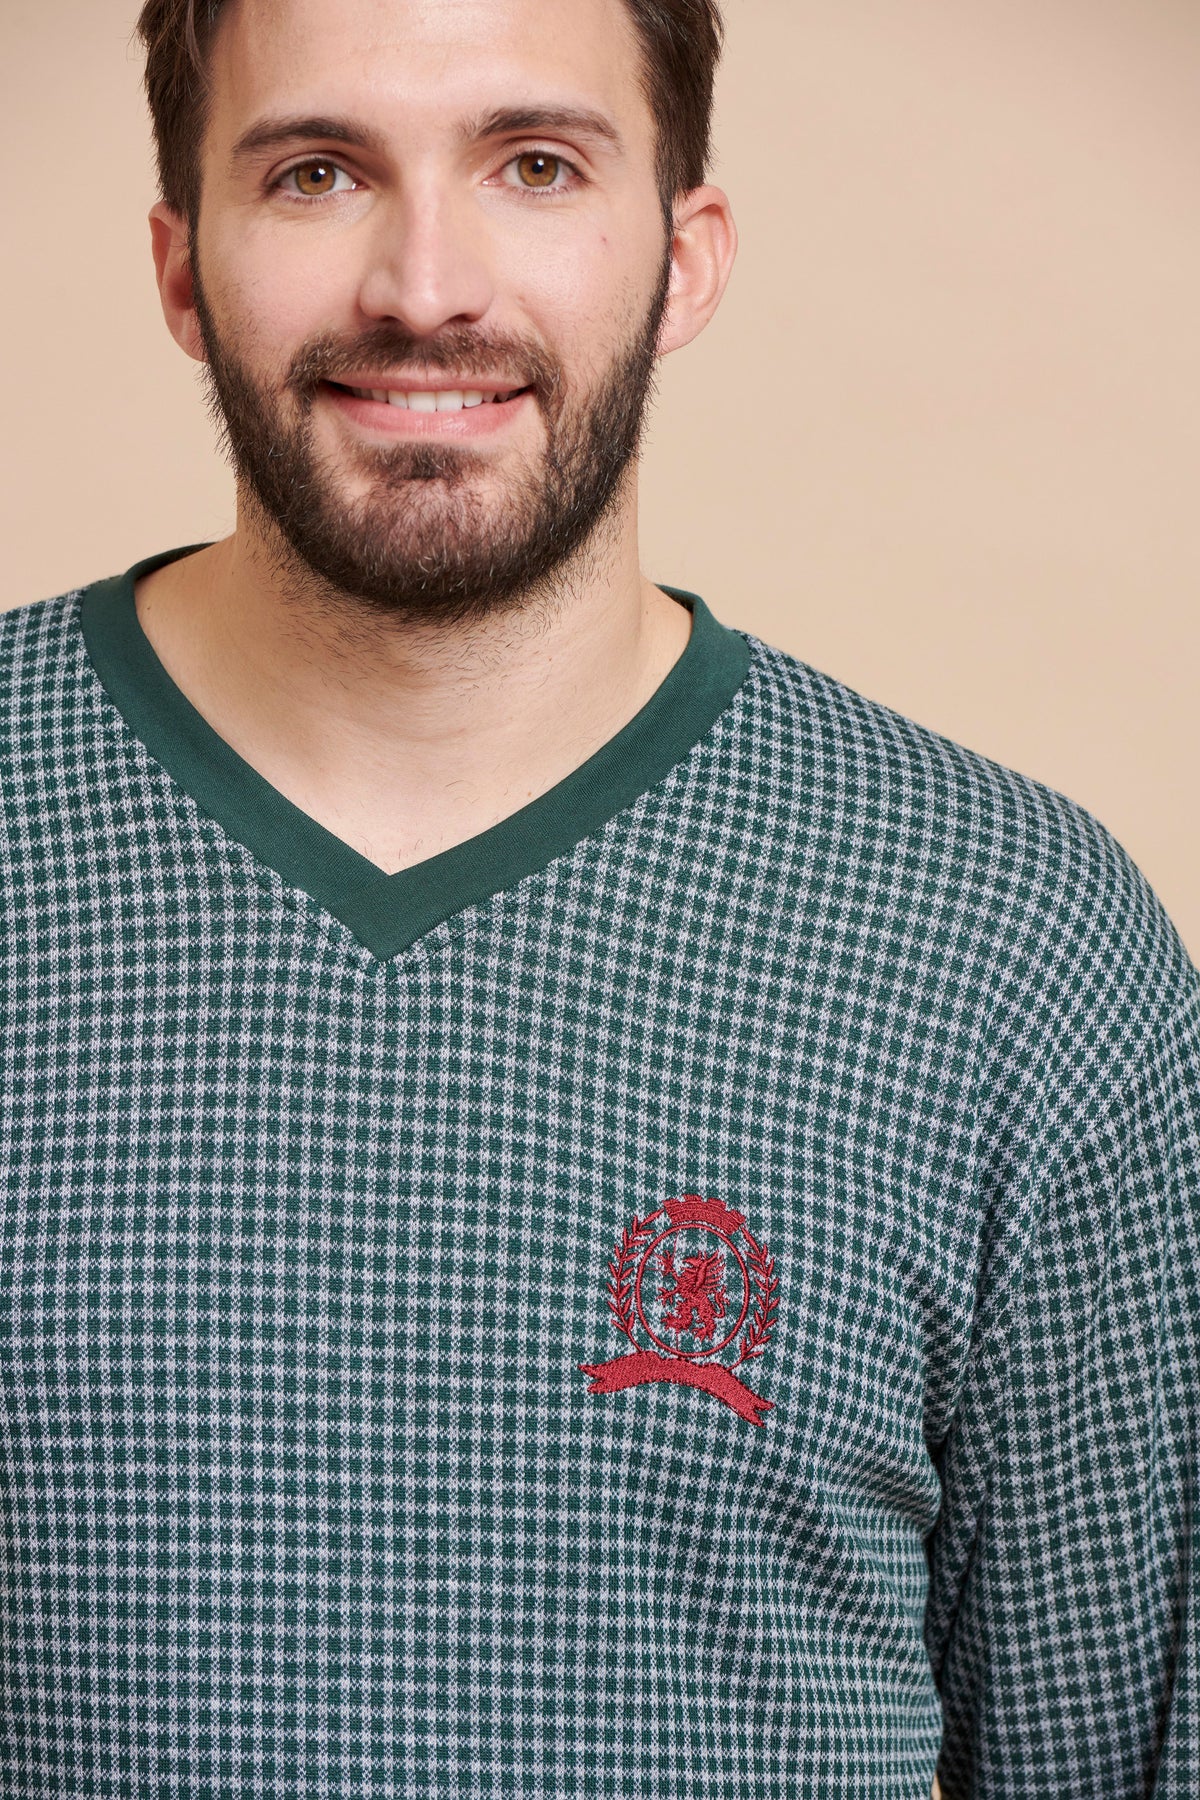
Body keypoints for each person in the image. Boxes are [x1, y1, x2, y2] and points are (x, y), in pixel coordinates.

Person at [1, 0, 1196, 1793]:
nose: (424, 286)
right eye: (316, 173)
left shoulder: (1014, 944)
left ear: (682, 257)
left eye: (537, 166)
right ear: (181, 267)